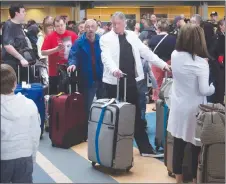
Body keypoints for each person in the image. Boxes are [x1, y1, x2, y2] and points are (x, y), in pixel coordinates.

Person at [100, 12, 170, 157]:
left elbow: (146, 52)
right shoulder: (105, 38)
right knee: (112, 115)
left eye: (118, 23)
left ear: (124, 23)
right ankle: (110, 149)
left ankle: (145, 149)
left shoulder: (132, 35)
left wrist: (163, 65)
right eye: (113, 23)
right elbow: (106, 57)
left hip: (131, 82)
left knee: (136, 116)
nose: (115, 26)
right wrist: (114, 70)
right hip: (113, 83)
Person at [167, 24, 215, 183]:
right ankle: (195, 179)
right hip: (195, 110)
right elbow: (203, 90)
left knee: (178, 146)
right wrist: (212, 88)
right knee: (195, 147)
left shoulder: (174, 55)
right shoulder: (201, 63)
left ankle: (178, 180)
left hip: (178, 106)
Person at [1, 64, 41, 183]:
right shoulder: (29, 104)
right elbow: (35, 133)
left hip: (3, 156)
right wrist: (33, 156)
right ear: (15, 84)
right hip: (24, 155)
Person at [67, 19, 103, 140]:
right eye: (87, 27)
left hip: (102, 78)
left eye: (92, 27)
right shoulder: (79, 42)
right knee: (86, 107)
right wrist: (72, 64)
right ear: (84, 28)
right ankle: (86, 133)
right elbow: (73, 55)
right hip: (87, 79)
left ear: (96, 27)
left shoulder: (102, 41)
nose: (90, 29)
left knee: (104, 105)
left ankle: (103, 130)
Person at [41, 16, 78, 95]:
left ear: (65, 24)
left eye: (61, 25)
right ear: (54, 27)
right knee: (54, 95)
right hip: (54, 71)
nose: (60, 28)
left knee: (70, 93)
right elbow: (43, 52)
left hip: (70, 69)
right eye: (57, 26)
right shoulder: (50, 37)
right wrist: (56, 49)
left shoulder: (73, 35)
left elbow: (78, 50)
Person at [149, 18, 176, 111]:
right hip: (170, 63)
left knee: (157, 84)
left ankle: (157, 105)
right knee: (169, 84)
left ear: (159, 28)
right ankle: (169, 105)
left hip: (156, 64)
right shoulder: (173, 39)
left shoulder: (153, 39)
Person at [2, 4, 34, 82]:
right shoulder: (8, 25)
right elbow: (7, 45)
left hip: (22, 62)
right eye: (23, 11)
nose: (25, 13)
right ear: (17, 13)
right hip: (13, 64)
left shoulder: (20, 26)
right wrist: (21, 58)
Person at [208, 19, 225, 105]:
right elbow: (215, 51)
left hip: (221, 64)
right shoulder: (217, 37)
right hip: (219, 65)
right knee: (219, 83)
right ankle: (219, 102)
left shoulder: (222, 36)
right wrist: (219, 62)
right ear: (220, 26)